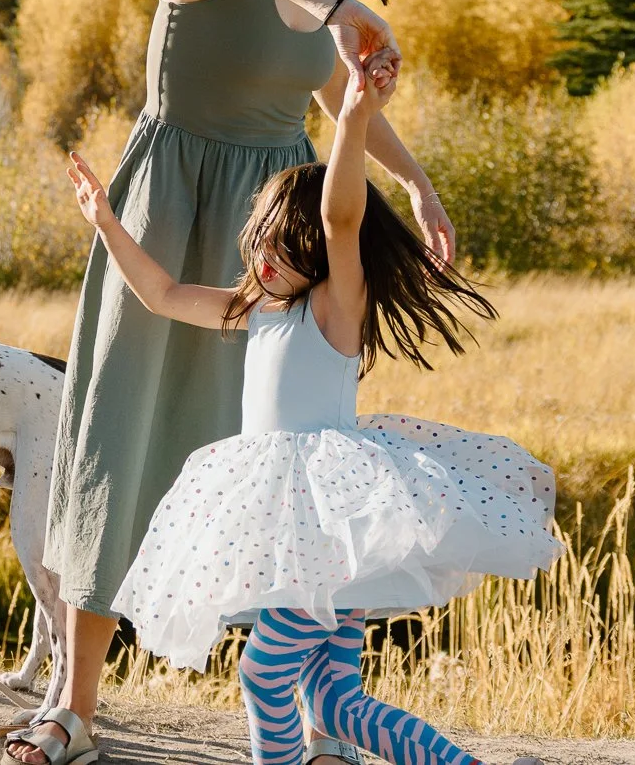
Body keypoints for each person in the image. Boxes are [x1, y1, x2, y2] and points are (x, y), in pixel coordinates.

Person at [0, 0, 457, 765]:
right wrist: (339, 2)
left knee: (268, 457)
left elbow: (341, 100)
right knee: (126, 432)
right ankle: (72, 705)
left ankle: (304, 704)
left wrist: (414, 183)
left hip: (271, 235)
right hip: (174, 203)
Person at [67, 48, 558, 765]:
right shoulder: (256, 305)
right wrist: (107, 222)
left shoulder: (335, 305)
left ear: (322, 254)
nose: (266, 254)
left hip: (330, 525)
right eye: (262, 235)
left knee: (265, 672)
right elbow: (165, 295)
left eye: (286, 243)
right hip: (301, 526)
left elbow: (340, 213)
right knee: (333, 699)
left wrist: (355, 117)